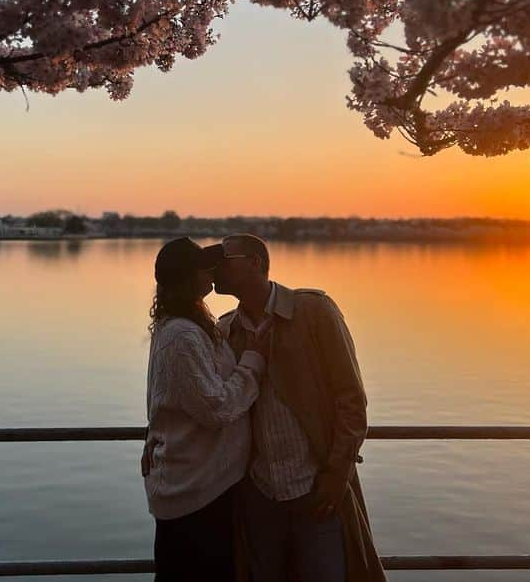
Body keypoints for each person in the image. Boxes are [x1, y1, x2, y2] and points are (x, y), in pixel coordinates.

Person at [206, 233, 386, 582]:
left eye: (224, 259)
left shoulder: (313, 311)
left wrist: (337, 475)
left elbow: (351, 399)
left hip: (315, 489)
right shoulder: (226, 330)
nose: (216, 268)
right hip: (258, 494)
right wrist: (160, 434)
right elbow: (216, 403)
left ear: (255, 263)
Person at [143, 236, 272, 582]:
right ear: (189, 278)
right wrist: (253, 362)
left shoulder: (194, 327)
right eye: (204, 267)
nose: (212, 271)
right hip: (193, 497)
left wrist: (153, 432)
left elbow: (173, 396)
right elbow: (214, 408)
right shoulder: (181, 336)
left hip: (205, 488)